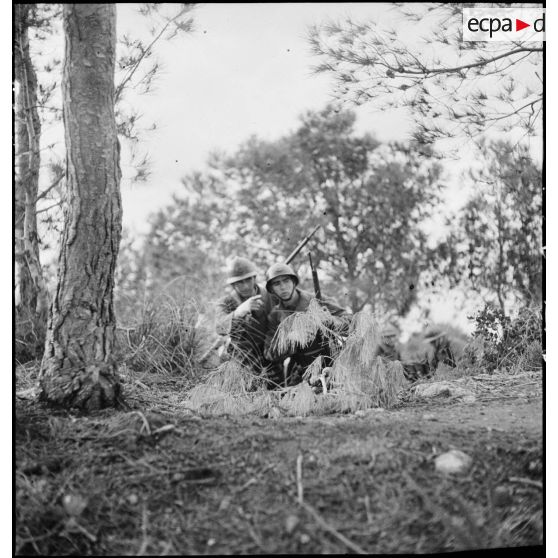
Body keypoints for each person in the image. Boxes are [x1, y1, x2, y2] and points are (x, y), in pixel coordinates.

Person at [263, 262, 351, 387]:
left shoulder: (317, 300)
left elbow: (350, 321)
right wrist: (289, 339)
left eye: (286, 281)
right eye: (277, 284)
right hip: (302, 373)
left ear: (294, 282)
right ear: (271, 289)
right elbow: (269, 354)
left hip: (334, 363)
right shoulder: (275, 316)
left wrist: (330, 321)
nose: (283, 287)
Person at [215, 257, 276, 377]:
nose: (246, 286)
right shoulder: (226, 302)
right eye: (239, 282)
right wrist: (239, 312)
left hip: (271, 359)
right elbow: (219, 328)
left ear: (254, 278)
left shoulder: (270, 296)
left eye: (248, 280)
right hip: (241, 361)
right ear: (233, 284)